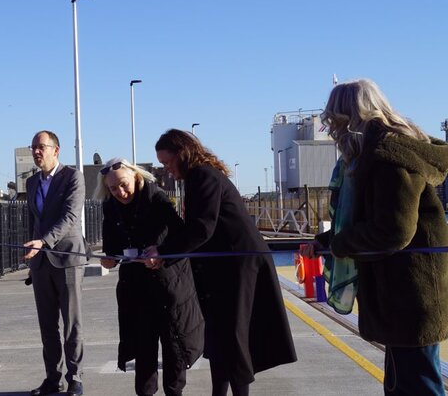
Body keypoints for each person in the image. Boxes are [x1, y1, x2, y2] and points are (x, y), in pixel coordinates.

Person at [301, 79, 448, 395]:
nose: (333, 131)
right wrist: (326, 242)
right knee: (413, 379)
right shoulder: (387, 151)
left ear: (350, 118)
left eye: (335, 121)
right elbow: (373, 217)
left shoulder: (388, 158)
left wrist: (340, 244)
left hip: (406, 294)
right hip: (413, 293)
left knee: (412, 384)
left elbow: (393, 230)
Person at [150, 129, 297, 396]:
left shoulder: (203, 176)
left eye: (168, 162)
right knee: (218, 337)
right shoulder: (198, 176)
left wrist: (164, 253)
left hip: (239, 265)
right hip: (223, 267)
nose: (167, 170)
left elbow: (202, 228)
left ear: (182, 154)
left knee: (234, 335)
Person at [95, 158, 204, 396]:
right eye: (113, 189)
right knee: (143, 346)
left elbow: (180, 235)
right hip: (136, 287)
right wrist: (109, 258)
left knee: (174, 346)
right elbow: (112, 244)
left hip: (169, 284)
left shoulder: (157, 198)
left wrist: (160, 252)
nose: (120, 192)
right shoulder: (110, 206)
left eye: (123, 185)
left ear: (136, 177)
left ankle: (175, 393)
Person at [23, 130, 88, 396]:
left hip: (68, 259)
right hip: (40, 263)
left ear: (56, 150)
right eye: (33, 148)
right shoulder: (30, 183)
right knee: (47, 325)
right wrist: (31, 248)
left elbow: (70, 216)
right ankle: (53, 377)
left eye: (41, 147)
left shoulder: (73, 177)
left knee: (72, 323)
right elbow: (33, 220)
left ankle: (76, 377)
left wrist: (44, 241)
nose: (37, 152)